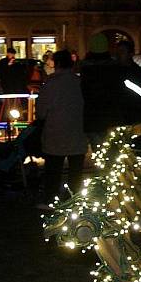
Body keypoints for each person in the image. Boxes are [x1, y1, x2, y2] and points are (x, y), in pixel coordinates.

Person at [35, 50, 86, 207]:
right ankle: (74, 201)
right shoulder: (79, 83)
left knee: (53, 172)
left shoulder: (50, 84)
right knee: (75, 174)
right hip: (78, 133)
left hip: (55, 134)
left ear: (56, 64)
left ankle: (50, 200)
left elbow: (41, 113)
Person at [80, 33, 124, 147]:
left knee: (98, 150)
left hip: (92, 117)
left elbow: (83, 92)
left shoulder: (85, 68)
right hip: (111, 117)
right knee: (112, 152)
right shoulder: (115, 67)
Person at [114, 40, 141, 125]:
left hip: (134, 118)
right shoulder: (113, 72)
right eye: (117, 52)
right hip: (118, 118)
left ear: (130, 54)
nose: (118, 55)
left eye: (122, 52)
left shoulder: (139, 74)